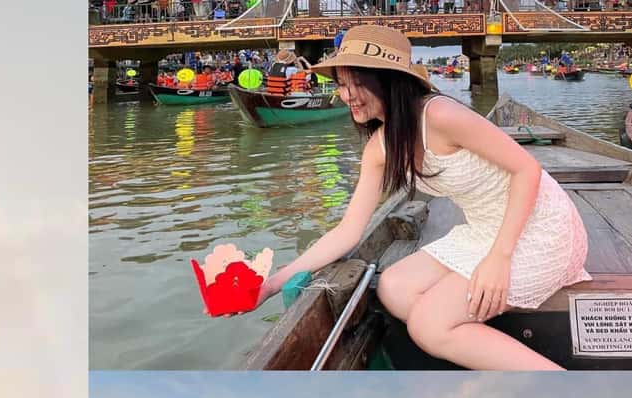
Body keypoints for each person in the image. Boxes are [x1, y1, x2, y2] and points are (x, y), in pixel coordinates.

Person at [249, 25, 590, 370]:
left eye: (357, 83)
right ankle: (479, 348)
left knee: (429, 326)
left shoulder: (439, 115)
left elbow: (527, 170)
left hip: (537, 227)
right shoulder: (380, 147)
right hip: (485, 230)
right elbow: (348, 231)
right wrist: (273, 283)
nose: (346, 94)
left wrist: (499, 259)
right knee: (394, 288)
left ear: (388, 80)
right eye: (340, 83)